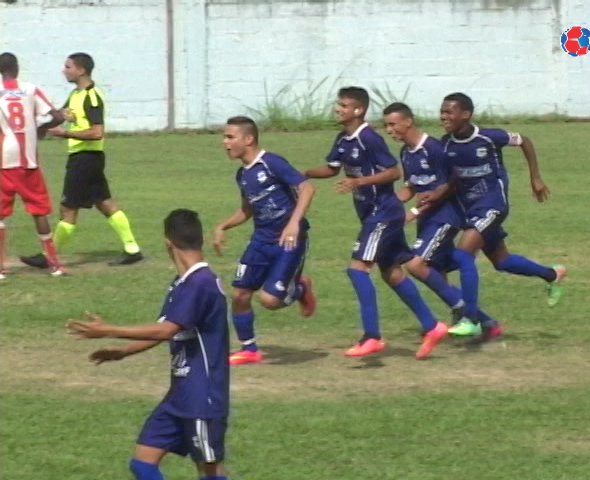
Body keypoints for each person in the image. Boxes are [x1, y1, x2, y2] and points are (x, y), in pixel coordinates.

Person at [66, 209, 231, 480]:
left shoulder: (201, 284)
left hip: (203, 397)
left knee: (210, 473)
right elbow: (166, 329)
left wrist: (109, 330)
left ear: (168, 242)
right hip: (180, 395)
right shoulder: (182, 283)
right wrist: (123, 352)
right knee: (142, 463)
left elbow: (166, 330)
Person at [304, 87, 448, 359]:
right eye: (339, 105)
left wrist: (359, 181)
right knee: (391, 273)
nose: (338, 109)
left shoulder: (369, 138)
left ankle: (372, 336)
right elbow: (331, 169)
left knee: (357, 269)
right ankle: (433, 326)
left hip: (383, 212)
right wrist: (301, 174)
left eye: (343, 105)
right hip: (373, 213)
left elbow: (393, 171)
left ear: (358, 110)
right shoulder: (343, 139)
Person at [432, 92, 566, 337]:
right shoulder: (445, 144)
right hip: (469, 210)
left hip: (493, 205)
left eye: (449, 112)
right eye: (442, 112)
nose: (444, 117)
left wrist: (535, 177)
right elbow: (449, 181)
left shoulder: (488, 137)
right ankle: (552, 274)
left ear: (466, 115)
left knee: (463, 255)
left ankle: (471, 318)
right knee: (502, 261)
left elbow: (524, 140)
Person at [382, 101, 500, 340]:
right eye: (386, 126)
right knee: (436, 272)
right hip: (427, 219)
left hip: (446, 216)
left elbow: (454, 181)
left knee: (415, 265)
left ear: (408, 121)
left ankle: (465, 312)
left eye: (392, 124)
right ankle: (487, 323)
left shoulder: (435, 149)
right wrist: (388, 208)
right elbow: (411, 186)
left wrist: (414, 212)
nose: (389, 130)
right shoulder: (406, 152)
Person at [21, 52, 142, 269]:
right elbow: (59, 116)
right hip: (86, 158)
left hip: (85, 159)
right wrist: (38, 124)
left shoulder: (91, 97)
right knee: (105, 203)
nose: (64, 70)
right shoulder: (75, 95)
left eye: (68, 67)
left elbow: (97, 132)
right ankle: (132, 249)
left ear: (81, 70)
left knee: (68, 208)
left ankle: (49, 256)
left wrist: (65, 134)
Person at [213, 116, 317, 365]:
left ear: (248, 139)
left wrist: (294, 223)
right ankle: (249, 349)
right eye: (224, 137)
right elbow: (247, 211)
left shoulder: (272, 163)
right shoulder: (242, 175)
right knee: (239, 294)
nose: (224, 142)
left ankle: (301, 288)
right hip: (260, 240)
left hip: (289, 241)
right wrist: (222, 226)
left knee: (270, 301)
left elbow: (307, 188)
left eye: (230, 137)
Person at [0, 52, 66, 278]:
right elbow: (57, 116)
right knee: (39, 211)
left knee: (0, 215)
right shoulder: (30, 89)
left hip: (4, 160)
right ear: (17, 68)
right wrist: (41, 130)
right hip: (28, 160)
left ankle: (0, 269)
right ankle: (55, 265)